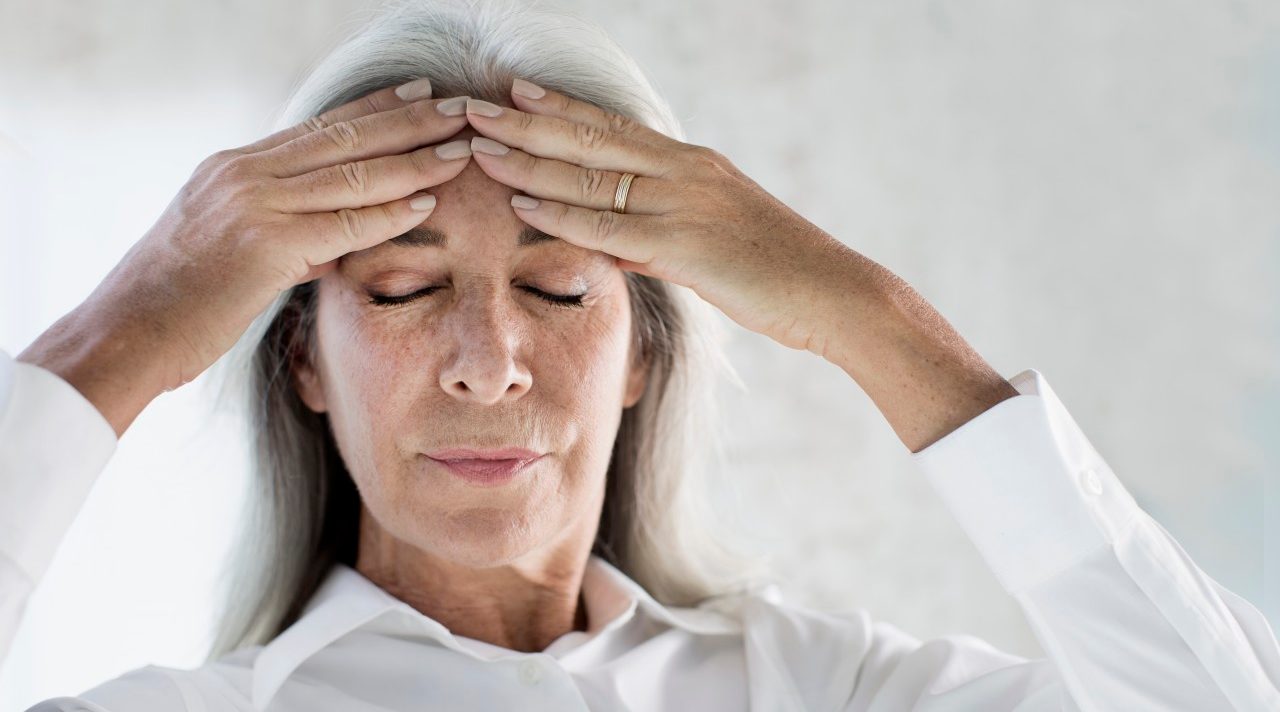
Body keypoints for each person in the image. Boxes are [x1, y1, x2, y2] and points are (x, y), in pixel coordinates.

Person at [4, 0, 1278, 709]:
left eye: (559, 287)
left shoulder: (820, 690)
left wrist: (866, 313)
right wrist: (114, 339)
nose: (486, 360)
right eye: (400, 289)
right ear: (302, 364)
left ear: (639, 357)